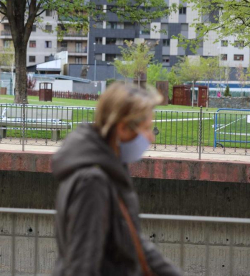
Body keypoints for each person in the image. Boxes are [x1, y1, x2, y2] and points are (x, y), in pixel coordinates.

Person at [52, 83, 182, 276]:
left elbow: (133, 241)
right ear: (122, 128)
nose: (151, 137)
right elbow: (82, 267)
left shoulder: (110, 167)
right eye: (147, 128)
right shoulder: (93, 182)